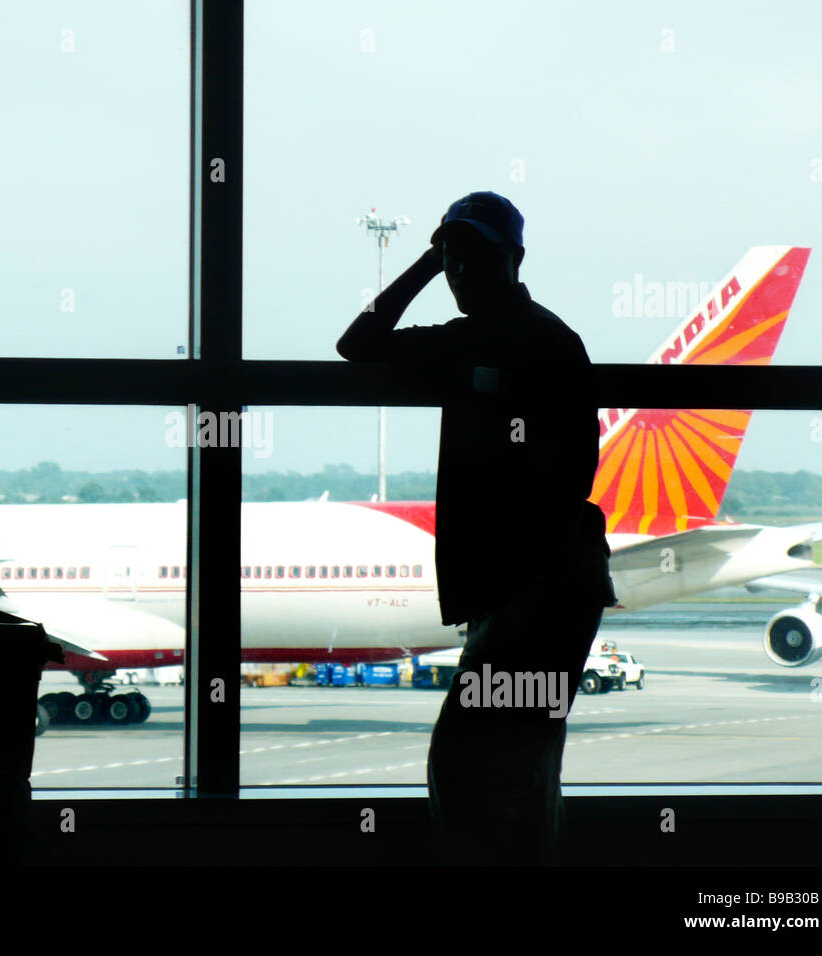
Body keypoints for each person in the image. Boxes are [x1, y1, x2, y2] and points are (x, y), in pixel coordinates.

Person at [337, 191, 617, 864]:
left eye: (471, 257)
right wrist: (430, 263)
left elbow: (360, 343)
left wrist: (424, 268)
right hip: (540, 589)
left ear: (513, 260)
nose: (460, 272)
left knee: (467, 767)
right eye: (452, 258)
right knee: (520, 765)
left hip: (533, 592)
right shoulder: (491, 341)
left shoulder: (530, 343)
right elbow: (356, 345)